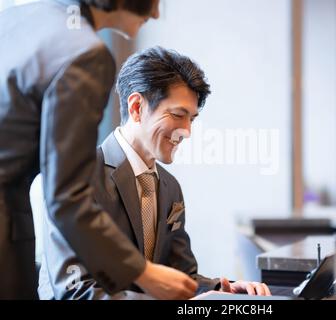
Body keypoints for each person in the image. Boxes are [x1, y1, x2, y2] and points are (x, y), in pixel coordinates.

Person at [38, 47, 272, 299]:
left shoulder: (170, 187)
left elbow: (181, 274)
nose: (186, 131)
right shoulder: (75, 178)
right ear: (137, 107)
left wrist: (220, 289)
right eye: (178, 115)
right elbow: (76, 291)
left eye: (191, 119)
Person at [0, 0, 197, 299]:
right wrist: (142, 272)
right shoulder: (84, 53)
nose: (156, 13)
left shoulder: (18, 17)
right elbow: (66, 198)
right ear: (136, 107)